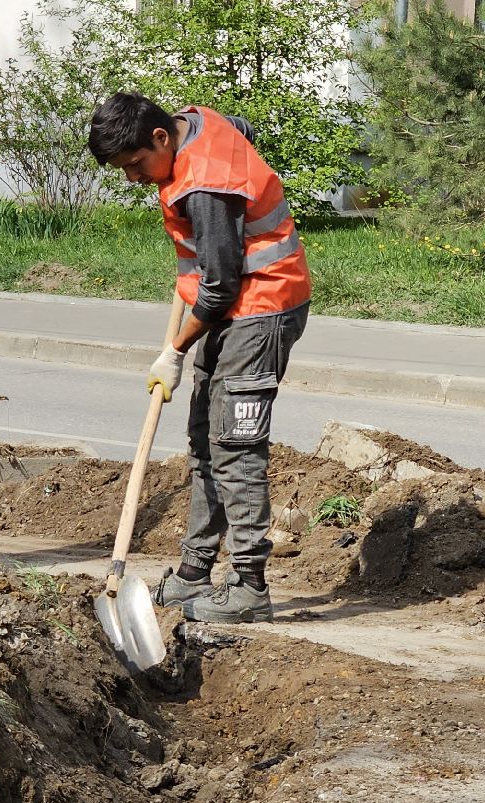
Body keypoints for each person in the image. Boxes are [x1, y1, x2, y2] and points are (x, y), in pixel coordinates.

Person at [88, 92, 311, 624]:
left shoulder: (206, 186)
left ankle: (250, 586)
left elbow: (219, 287)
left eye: (137, 165)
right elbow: (241, 123)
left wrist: (174, 350)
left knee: (236, 447)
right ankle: (194, 573)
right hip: (230, 310)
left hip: (260, 309)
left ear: (160, 138)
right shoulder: (195, 120)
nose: (134, 179)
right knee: (204, 442)